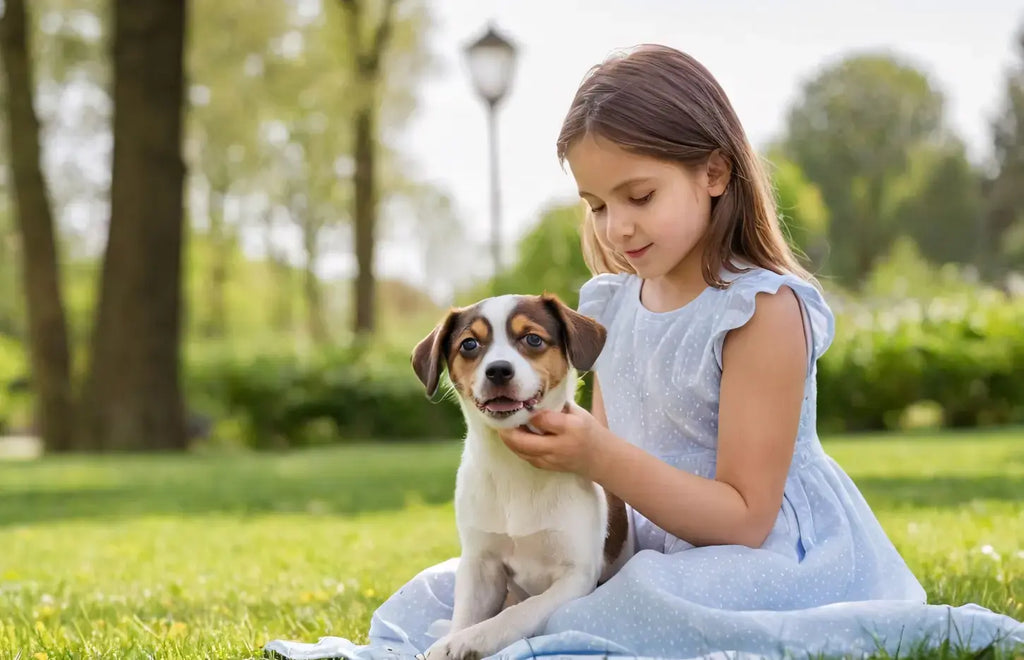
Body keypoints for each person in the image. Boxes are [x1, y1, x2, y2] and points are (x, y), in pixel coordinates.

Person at [264, 45, 1023, 660]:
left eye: (639, 196)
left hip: (763, 556)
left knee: (643, 602)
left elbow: (746, 518)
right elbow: (607, 481)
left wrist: (598, 460)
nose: (618, 226)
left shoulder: (760, 308)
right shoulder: (610, 305)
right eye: (597, 205)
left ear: (714, 173)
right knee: (442, 591)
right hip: (645, 541)